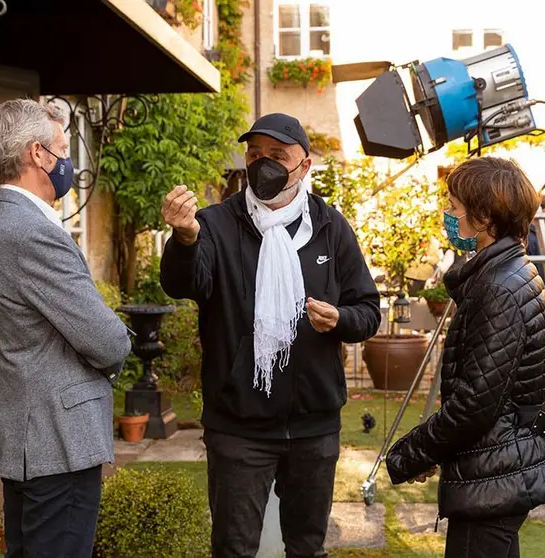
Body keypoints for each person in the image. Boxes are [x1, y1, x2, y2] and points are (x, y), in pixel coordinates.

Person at [159, 113, 381, 557]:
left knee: (307, 548)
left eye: (278, 156)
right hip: (238, 427)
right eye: (255, 154)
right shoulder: (215, 224)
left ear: (305, 165)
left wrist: (340, 318)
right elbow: (185, 284)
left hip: (314, 427)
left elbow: (368, 311)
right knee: (233, 549)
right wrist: (184, 240)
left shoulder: (329, 227)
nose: (264, 164)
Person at [385, 157, 545, 558]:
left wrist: (410, 454)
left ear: (484, 216)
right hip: (499, 467)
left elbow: (475, 403)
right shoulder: (509, 271)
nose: (447, 215)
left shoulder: (498, 287)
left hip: (494, 473)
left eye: (453, 206)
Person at [0, 99, 131, 556]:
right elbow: (107, 340)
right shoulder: (32, 232)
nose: (68, 160)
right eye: (63, 147)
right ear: (37, 155)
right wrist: (116, 342)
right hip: (57, 445)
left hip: (28, 443)